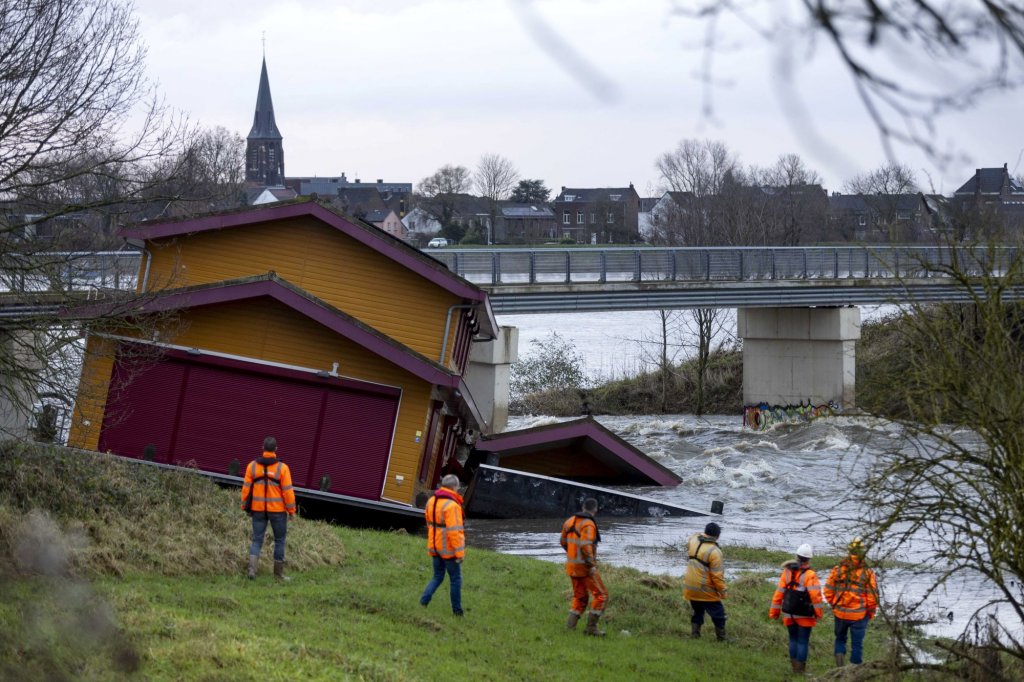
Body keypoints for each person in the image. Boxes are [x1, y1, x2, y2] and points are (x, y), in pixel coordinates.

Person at [240, 436, 296, 580]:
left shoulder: (252, 466)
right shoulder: (283, 468)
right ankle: (278, 575)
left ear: (262, 448)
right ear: (276, 449)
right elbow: (288, 492)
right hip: (277, 512)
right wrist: (291, 511)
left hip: (257, 509)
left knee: (257, 540)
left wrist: (244, 506)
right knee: (279, 540)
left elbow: (246, 489)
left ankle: (251, 571)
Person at [769, 543, 826, 674]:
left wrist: (774, 613)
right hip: (805, 615)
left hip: (789, 613)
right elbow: (816, 597)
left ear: (797, 556)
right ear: (809, 559)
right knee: (802, 642)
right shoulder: (810, 575)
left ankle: (795, 668)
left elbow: (778, 594)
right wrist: (819, 614)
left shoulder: (787, 572)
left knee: (793, 640)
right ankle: (800, 671)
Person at [825, 537, 879, 667]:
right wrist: (870, 613)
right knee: (857, 645)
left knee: (840, 640)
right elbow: (872, 598)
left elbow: (828, 591)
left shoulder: (838, 569)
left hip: (840, 613)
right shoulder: (868, 573)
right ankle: (853, 674)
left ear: (849, 551)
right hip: (859, 616)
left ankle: (840, 669)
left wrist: (834, 605)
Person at [560, 497, 608, 636]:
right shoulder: (588, 524)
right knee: (602, 595)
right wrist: (591, 565)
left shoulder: (569, 521)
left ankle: (570, 628)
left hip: (572, 566)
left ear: (582, 507)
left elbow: (563, 541)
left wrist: (572, 554)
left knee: (580, 597)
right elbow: (586, 545)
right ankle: (591, 628)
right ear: (595, 510)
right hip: (585, 568)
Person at [420, 474, 466, 616]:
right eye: (458, 486)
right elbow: (455, 531)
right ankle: (457, 611)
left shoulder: (431, 501)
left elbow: (428, 523)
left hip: (434, 546)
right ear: (454, 487)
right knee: (456, 579)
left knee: (437, 576)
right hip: (449, 550)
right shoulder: (452, 506)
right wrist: (459, 553)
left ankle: (423, 602)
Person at [683, 521, 728, 641]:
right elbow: (717, 577)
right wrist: (723, 592)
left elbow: (695, 535)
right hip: (705, 589)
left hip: (690, 587)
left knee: (697, 611)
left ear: (705, 532)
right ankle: (721, 638)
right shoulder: (715, 552)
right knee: (719, 614)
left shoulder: (693, 540)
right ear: (718, 536)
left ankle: (695, 635)